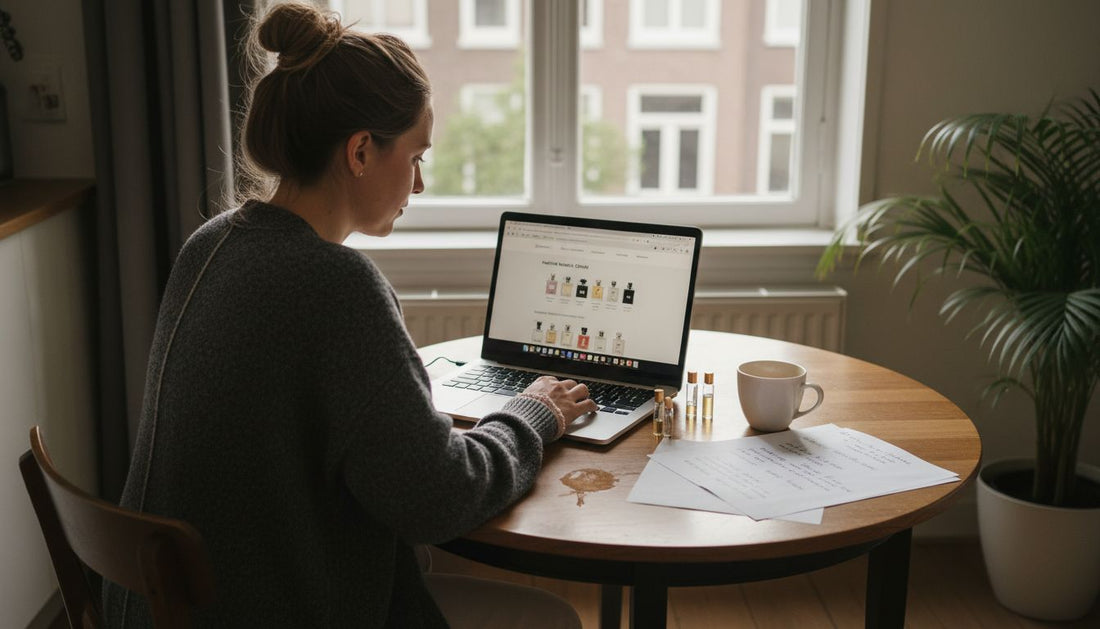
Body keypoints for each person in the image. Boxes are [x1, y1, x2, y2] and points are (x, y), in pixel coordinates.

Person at [102, 3, 598, 627]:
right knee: (552, 618)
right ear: (361, 151)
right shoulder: (336, 284)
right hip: (266, 610)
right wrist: (533, 414)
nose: (418, 186)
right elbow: (438, 499)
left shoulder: (213, 243)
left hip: (157, 608)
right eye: (416, 157)